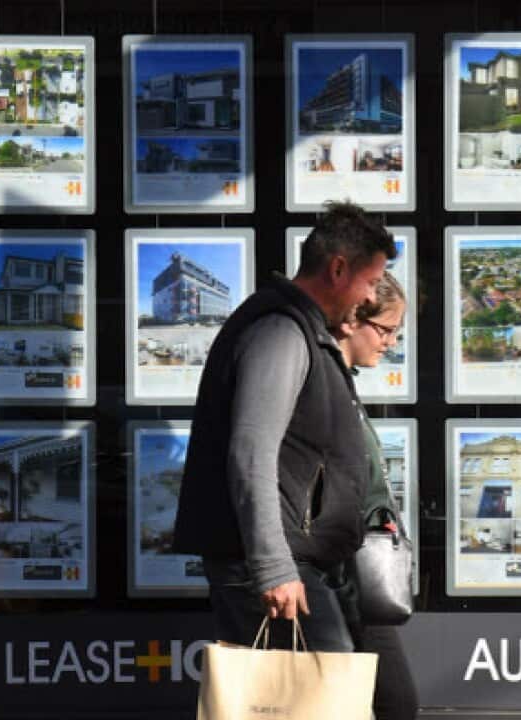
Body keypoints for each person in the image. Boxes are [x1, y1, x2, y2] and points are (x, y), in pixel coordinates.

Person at [172, 201, 396, 653]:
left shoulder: (302, 328)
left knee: (333, 687)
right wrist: (273, 566)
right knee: (322, 688)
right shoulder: (281, 331)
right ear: (338, 269)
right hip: (278, 566)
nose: (370, 297)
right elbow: (251, 453)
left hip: (299, 560)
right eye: (371, 282)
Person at [334, 271, 419, 720]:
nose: (391, 342)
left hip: (354, 574)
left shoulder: (342, 384)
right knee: (395, 703)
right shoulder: (325, 384)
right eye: (385, 329)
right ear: (353, 320)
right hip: (339, 575)